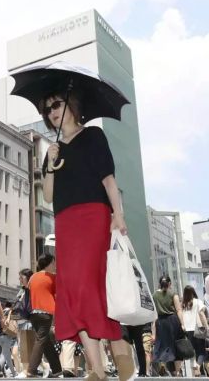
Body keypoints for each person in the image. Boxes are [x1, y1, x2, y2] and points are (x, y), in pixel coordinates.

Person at [39, 91, 131, 381]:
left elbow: (109, 179)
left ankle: (117, 342)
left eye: (56, 104)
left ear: (72, 104)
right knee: (72, 290)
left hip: (94, 216)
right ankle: (97, 369)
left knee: (93, 284)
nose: (52, 111)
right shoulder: (53, 149)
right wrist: (50, 164)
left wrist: (119, 215)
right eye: (47, 108)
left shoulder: (93, 136)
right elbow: (48, 194)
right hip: (65, 223)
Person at [25, 254, 63, 378]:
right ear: (49, 263)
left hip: (33, 313)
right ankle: (31, 370)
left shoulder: (32, 277)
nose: (55, 265)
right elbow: (58, 295)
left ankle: (57, 370)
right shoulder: (52, 277)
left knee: (45, 341)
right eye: (53, 263)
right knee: (41, 340)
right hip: (46, 312)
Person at [151, 275, 185, 376]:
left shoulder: (154, 295)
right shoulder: (173, 294)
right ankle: (178, 371)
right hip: (173, 321)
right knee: (176, 346)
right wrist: (182, 324)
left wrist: (153, 331)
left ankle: (163, 364)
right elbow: (179, 310)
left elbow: (154, 314)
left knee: (163, 345)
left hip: (160, 322)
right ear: (170, 284)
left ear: (159, 284)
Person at [181, 285, 209, 377]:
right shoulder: (198, 302)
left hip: (187, 331)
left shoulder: (183, 304)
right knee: (201, 351)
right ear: (193, 292)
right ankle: (198, 366)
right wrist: (207, 327)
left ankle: (194, 372)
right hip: (198, 330)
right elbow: (202, 314)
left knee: (192, 352)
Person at [13, 269, 35, 377]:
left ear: (28, 277)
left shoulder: (31, 289)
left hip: (28, 320)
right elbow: (16, 304)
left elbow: (29, 306)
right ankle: (43, 366)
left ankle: (26, 370)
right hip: (21, 320)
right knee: (23, 348)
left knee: (26, 347)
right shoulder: (22, 290)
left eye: (22, 277)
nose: (20, 280)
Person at [0, 302, 18, 377]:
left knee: (6, 355)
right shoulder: (10, 312)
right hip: (6, 335)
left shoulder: (1, 312)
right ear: (11, 306)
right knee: (5, 356)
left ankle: (13, 373)